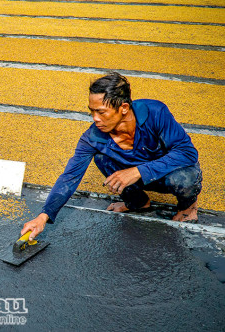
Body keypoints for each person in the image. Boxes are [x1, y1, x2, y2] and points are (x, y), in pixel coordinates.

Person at [22, 72, 202, 240]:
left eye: (101, 112)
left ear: (123, 108)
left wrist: (138, 171)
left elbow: (187, 153)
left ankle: (187, 207)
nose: (95, 118)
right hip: (136, 176)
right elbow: (70, 177)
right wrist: (43, 217)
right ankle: (137, 202)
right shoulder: (92, 137)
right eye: (92, 111)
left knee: (186, 178)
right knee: (101, 158)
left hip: (166, 174)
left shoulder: (155, 113)